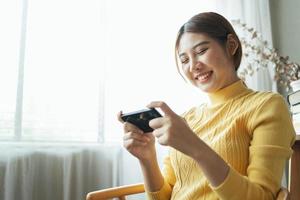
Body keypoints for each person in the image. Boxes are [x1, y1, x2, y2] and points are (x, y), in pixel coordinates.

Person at [118, 12, 296, 200]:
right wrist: (147, 159)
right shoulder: (186, 119)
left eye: (201, 51)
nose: (193, 65)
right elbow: (165, 197)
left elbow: (261, 197)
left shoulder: (267, 106)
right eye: (184, 60)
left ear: (231, 45)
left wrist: (194, 146)